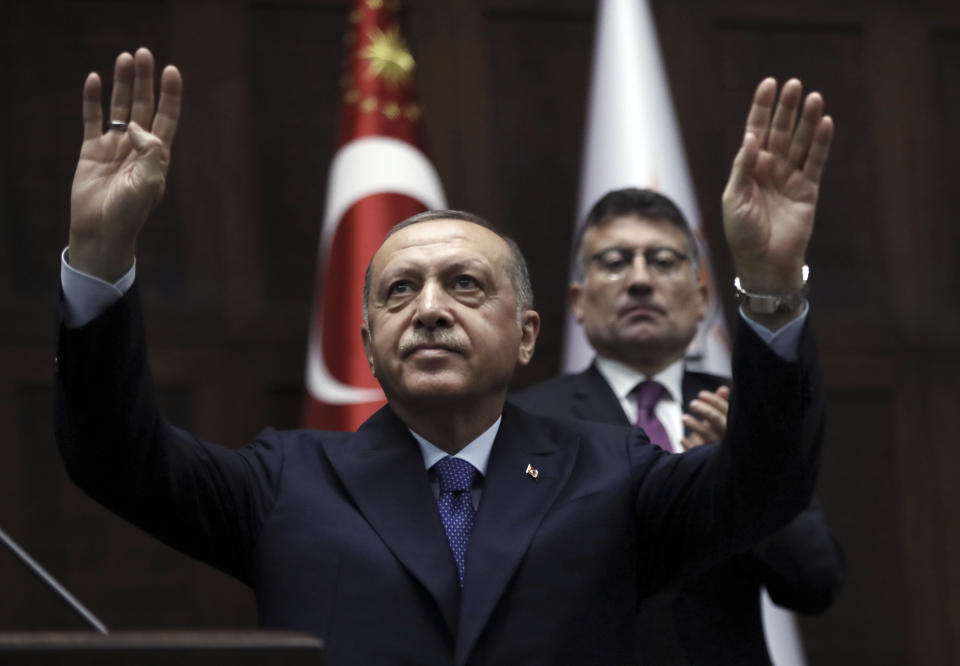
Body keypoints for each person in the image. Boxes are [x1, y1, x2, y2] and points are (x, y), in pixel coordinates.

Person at [54, 47, 832, 665]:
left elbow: (764, 484)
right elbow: (115, 456)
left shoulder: (615, 472)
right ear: (367, 346)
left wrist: (767, 285)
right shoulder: (284, 482)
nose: (429, 310)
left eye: (464, 284)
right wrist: (98, 256)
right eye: (398, 293)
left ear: (527, 335)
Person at [511, 187, 844, 664]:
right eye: (614, 261)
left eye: (664, 261)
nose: (640, 280)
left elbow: (815, 582)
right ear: (578, 302)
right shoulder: (528, 423)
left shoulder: (750, 412)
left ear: (701, 300)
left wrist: (746, 472)